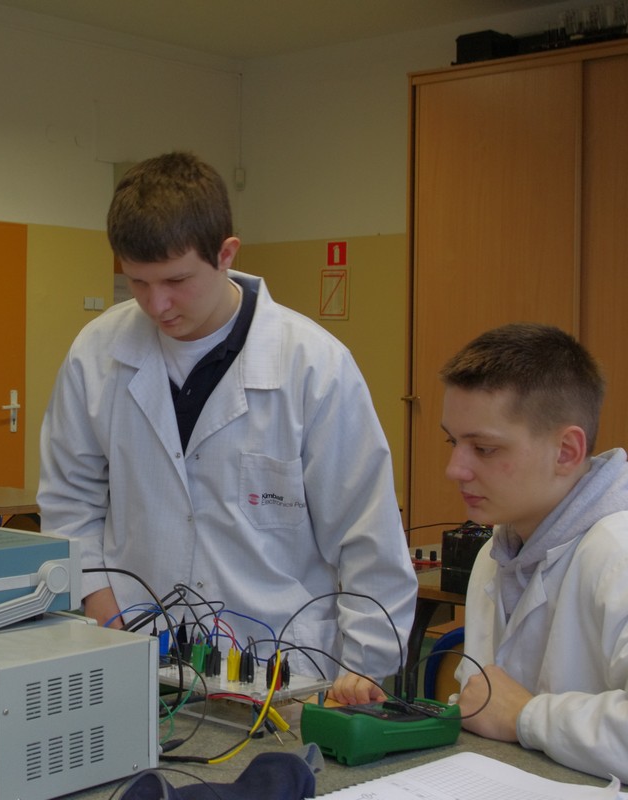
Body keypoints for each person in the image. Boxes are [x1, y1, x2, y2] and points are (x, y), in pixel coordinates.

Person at [38, 151, 416, 704]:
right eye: (137, 281)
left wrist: (362, 673)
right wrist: (107, 616)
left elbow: (368, 537)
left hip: (286, 673)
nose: (157, 304)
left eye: (176, 280)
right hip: (136, 658)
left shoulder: (314, 366)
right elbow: (70, 503)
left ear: (226, 253)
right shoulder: (97, 354)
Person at [442, 322, 628, 799]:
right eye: (453, 443)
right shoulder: (498, 549)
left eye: (484, 448)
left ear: (566, 451)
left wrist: (528, 716)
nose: (455, 469)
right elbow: (488, 703)